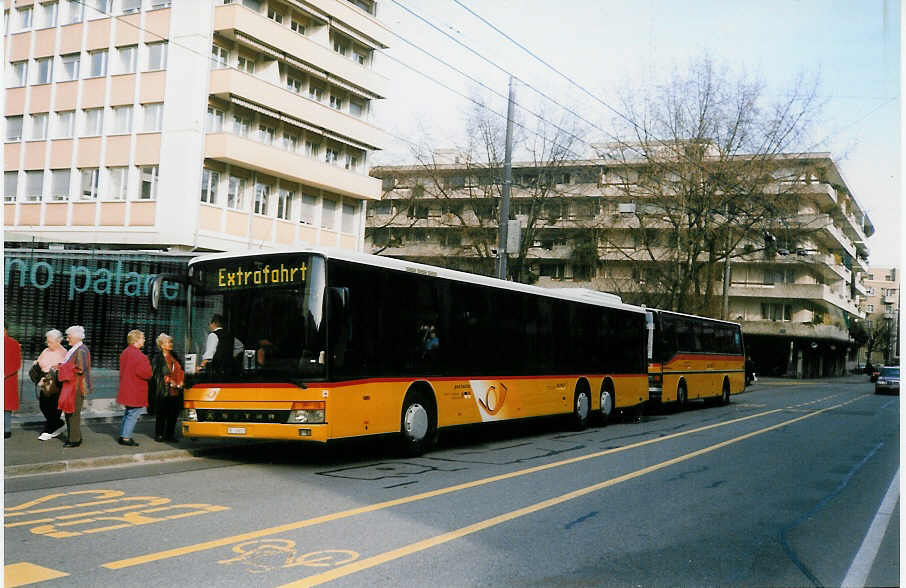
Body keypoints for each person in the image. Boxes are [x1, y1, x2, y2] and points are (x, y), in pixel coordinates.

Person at [117, 329, 152, 446]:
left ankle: (123, 435)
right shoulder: (140, 356)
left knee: (128, 412)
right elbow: (147, 374)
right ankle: (126, 437)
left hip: (126, 388)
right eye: (143, 338)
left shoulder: (125, 353)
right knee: (133, 414)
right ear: (136, 340)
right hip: (136, 389)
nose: (145, 340)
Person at [59, 326, 92, 448]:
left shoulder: (81, 350)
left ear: (77, 337)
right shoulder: (77, 349)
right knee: (70, 412)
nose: (67, 339)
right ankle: (74, 437)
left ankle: (74, 439)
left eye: (69, 336)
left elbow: (80, 368)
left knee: (72, 413)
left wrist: (61, 368)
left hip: (76, 386)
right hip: (73, 385)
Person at [151, 333, 184, 442]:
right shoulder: (157, 358)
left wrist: (181, 381)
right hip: (164, 389)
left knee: (173, 413)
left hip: (176, 389)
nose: (170, 344)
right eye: (168, 342)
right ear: (161, 345)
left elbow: (181, 369)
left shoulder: (174, 355)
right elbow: (155, 374)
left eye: (171, 342)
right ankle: (159, 434)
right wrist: (169, 381)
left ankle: (170, 434)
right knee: (162, 413)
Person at [34, 329, 67, 440]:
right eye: (47, 342)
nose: (48, 344)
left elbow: (64, 369)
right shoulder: (45, 351)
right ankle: (58, 424)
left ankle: (48, 430)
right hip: (44, 382)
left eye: (50, 342)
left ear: (58, 341)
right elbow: (38, 362)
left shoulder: (64, 353)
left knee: (53, 407)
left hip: (56, 383)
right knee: (43, 406)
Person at [4, 325, 22, 439]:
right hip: (7, 377)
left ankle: (6, 429)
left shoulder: (13, 343)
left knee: (6, 407)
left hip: (7, 379)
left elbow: (17, 363)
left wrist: (5, 373)